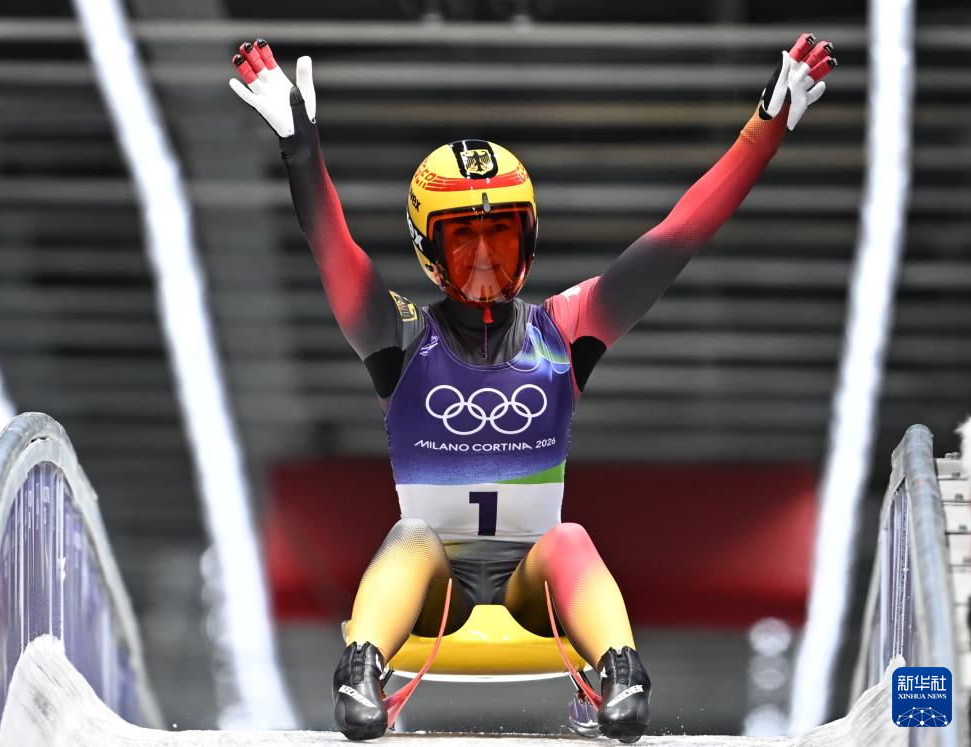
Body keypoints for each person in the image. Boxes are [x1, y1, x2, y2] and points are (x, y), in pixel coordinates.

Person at [230, 34, 836, 743]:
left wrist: (763, 131)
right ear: (430, 254)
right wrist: (300, 149)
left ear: (531, 239)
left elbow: (678, 237)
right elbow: (334, 250)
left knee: (568, 536)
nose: (486, 258)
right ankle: (360, 671)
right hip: (435, 587)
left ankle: (623, 673)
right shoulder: (398, 336)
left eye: (503, 237)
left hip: (534, 582)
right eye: (464, 240)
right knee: (412, 535)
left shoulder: (565, 330)